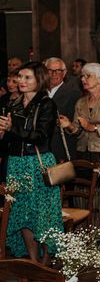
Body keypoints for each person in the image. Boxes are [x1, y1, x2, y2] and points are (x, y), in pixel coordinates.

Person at [0, 61, 63, 264]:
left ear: (39, 80)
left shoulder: (46, 104)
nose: (21, 81)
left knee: (41, 214)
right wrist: (3, 134)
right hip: (16, 164)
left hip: (37, 164)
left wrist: (12, 129)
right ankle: (33, 260)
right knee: (22, 214)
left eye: (27, 77)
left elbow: (42, 137)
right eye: (20, 77)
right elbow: (9, 140)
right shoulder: (13, 104)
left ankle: (45, 260)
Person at [59, 63, 100, 222]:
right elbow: (78, 130)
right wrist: (69, 126)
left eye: (88, 76)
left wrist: (93, 127)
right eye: (82, 76)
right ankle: (86, 226)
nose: (83, 79)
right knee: (85, 188)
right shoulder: (80, 102)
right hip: (84, 151)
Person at [45, 57, 82, 161]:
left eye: (58, 71)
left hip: (61, 146)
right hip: (41, 148)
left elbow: (74, 125)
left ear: (64, 73)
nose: (54, 74)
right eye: (50, 70)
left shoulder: (73, 93)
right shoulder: (39, 93)